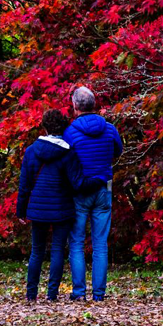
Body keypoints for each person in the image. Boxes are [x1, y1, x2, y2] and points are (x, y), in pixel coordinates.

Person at [16, 109, 83, 302]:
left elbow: (25, 184)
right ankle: (52, 294)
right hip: (62, 208)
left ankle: (31, 294)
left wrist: (21, 210)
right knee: (57, 250)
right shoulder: (68, 153)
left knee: (36, 251)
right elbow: (76, 182)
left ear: (44, 127)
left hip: (37, 208)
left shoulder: (31, 151)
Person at [63, 86, 123, 301]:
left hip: (79, 190)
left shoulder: (70, 132)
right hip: (104, 188)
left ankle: (79, 293)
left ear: (75, 106)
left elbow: (65, 161)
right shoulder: (109, 129)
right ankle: (99, 293)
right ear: (94, 104)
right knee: (100, 243)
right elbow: (118, 151)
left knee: (77, 241)